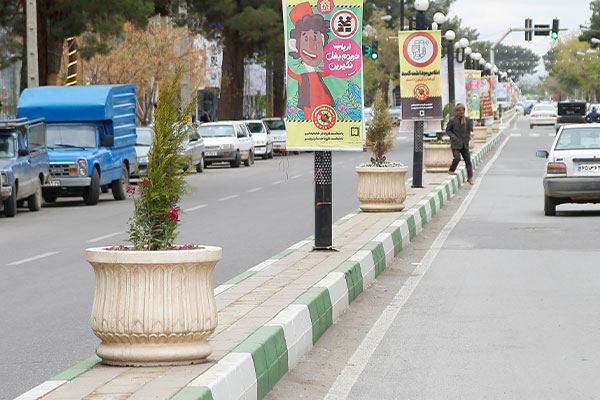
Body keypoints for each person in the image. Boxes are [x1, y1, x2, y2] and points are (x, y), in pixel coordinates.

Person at [446, 103, 474, 185]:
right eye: (459, 110)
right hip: (455, 144)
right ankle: (451, 170)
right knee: (457, 157)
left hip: (465, 144)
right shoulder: (452, 120)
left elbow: (470, 130)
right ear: (456, 111)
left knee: (468, 161)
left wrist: (468, 137)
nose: (461, 112)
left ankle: (470, 178)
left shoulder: (467, 120)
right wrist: (454, 137)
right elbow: (448, 130)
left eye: (462, 110)